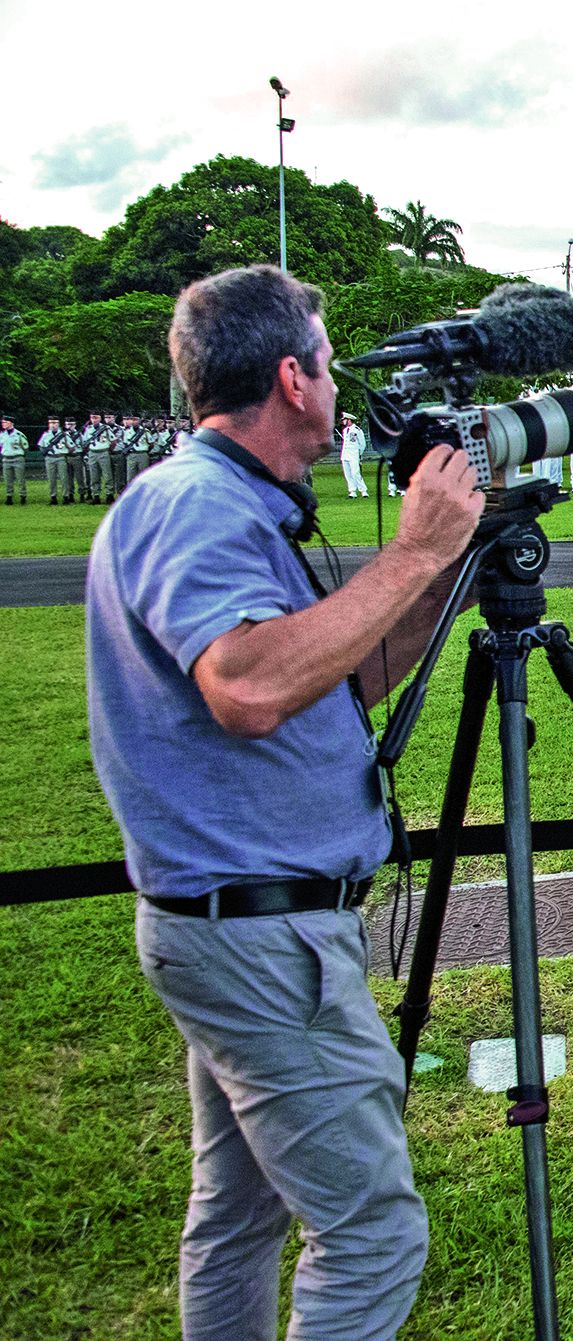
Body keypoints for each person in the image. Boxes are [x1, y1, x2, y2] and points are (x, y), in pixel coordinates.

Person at [87, 265, 484, 1340]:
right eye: (328, 363)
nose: (340, 387)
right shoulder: (196, 504)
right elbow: (251, 686)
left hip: (236, 926)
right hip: (262, 940)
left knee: (240, 1214)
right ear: (293, 379)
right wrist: (410, 548)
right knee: (371, 1235)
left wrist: (441, 571)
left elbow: (331, 681)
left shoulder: (225, 503)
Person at [339, 411, 369, 498]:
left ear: (349, 420)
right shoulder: (345, 430)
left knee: (355, 473)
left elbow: (362, 444)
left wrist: (359, 454)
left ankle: (363, 490)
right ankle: (352, 491)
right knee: (348, 474)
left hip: (354, 454)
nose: (343, 421)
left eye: (344, 419)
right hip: (345, 454)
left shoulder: (357, 430)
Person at [0, 415, 27, 504]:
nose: (3, 424)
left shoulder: (19, 434)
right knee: (8, 479)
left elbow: (25, 447)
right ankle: (9, 496)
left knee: (20, 479)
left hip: (17, 458)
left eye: (5, 422)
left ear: (11, 423)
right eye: (2, 422)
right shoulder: (2, 435)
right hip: (6, 459)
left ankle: (22, 496)